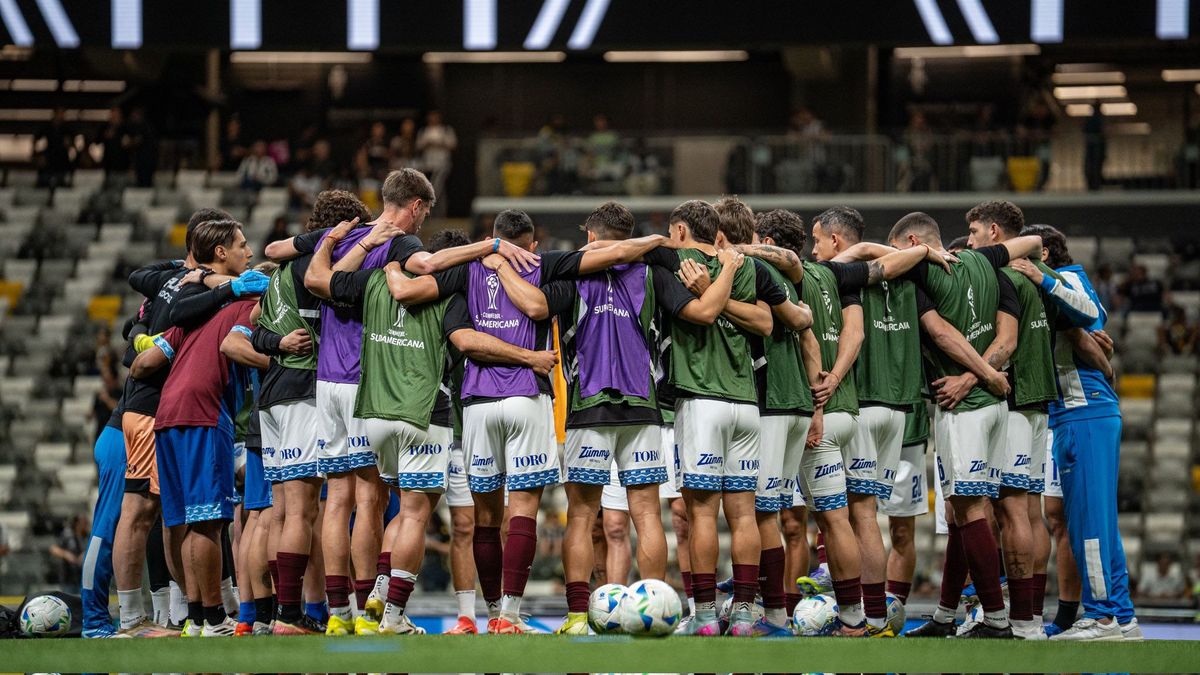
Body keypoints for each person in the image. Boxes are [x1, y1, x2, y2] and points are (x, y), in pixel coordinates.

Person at [386, 208, 682, 634]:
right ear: (532, 244)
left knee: (511, 517)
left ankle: (537, 616)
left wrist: (396, 263)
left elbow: (423, 296)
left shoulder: (470, 269)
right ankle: (512, 614)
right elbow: (538, 304)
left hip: (488, 402)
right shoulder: (550, 265)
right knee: (633, 513)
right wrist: (658, 242)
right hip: (551, 396)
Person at [487, 201, 744, 635]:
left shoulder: (571, 274)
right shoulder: (654, 272)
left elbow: (533, 306)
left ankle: (576, 618)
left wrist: (498, 266)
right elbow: (700, 313)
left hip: (588, 409)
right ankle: (654, 610)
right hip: (643, 407)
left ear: (591, 236)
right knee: (646, 514)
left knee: (582, 515)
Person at [306, 215, 557, 636]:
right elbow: (464, 340)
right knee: (417, 514)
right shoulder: (454, 292)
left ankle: (369, 595)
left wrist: (342, 243)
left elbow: (318, 280)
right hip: (426, 412)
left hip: (374, 412)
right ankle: (394, 615)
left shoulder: (377, 281)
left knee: (379, 506)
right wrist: (530, 357)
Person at [893, 212, 1041, 639]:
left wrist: (979, 374)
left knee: (971, 510)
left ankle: (995, 618)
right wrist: (990, 375)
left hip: (964, 406)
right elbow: (1032, 242)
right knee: (962, 513)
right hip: (995, 406)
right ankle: (946, 614)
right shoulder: (988, 262)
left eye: (899, 250)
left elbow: (941, 334)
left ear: (915, 243)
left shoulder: (920, 273)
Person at [129, 219, 268, 637]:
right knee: (209, 522)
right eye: (242, 245)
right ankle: (214, 619)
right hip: (205, 412)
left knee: (189, 522)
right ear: (222, 253)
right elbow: (239, 339)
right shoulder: (245, 303)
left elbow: (143, 364)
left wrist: (138, 336)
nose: (248, 252)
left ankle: (196, 617)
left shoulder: (191, 315)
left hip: (166, 414)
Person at [253, 191, 370, 636]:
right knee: (302, 512)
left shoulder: (280, 272)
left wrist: (277, 343)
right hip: (303, 389)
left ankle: (275, 612)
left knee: (281, 512)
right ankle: (288, 614)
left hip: (272, 394)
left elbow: (257, 326)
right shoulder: (315, 265)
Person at [417, 111, 457, 216]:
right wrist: (427, 144)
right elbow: (418, 146)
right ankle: (440, 213)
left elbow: (453, 145)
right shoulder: (424, 131)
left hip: (442, 164)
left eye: (435, 117)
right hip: (428, 165)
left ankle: (427, 209)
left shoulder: (445, 130)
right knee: (441, 191)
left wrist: (439, 143)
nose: (433, 119)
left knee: (435, 187)